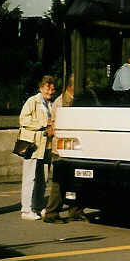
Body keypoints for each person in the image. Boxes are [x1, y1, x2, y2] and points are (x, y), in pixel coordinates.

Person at [43, 75, 87, 223]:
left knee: (75, 180)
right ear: (71, 87)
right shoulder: (62, 101)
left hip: (73, 146)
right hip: (62, 148)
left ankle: (75, 210)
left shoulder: (70, 100)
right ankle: (52, 212)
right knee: (59, 182)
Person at [18, 75, 55, 220]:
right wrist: (43, 123)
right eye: (48, 88)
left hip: (46, 146)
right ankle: (26, 209)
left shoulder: (50, 104)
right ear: (41, 87)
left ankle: (38, 206)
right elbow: (23, 119)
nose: (50, 91)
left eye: (52, 89)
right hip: (32, 145)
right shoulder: (32, 101)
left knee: (42, 178)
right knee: (29, 177)